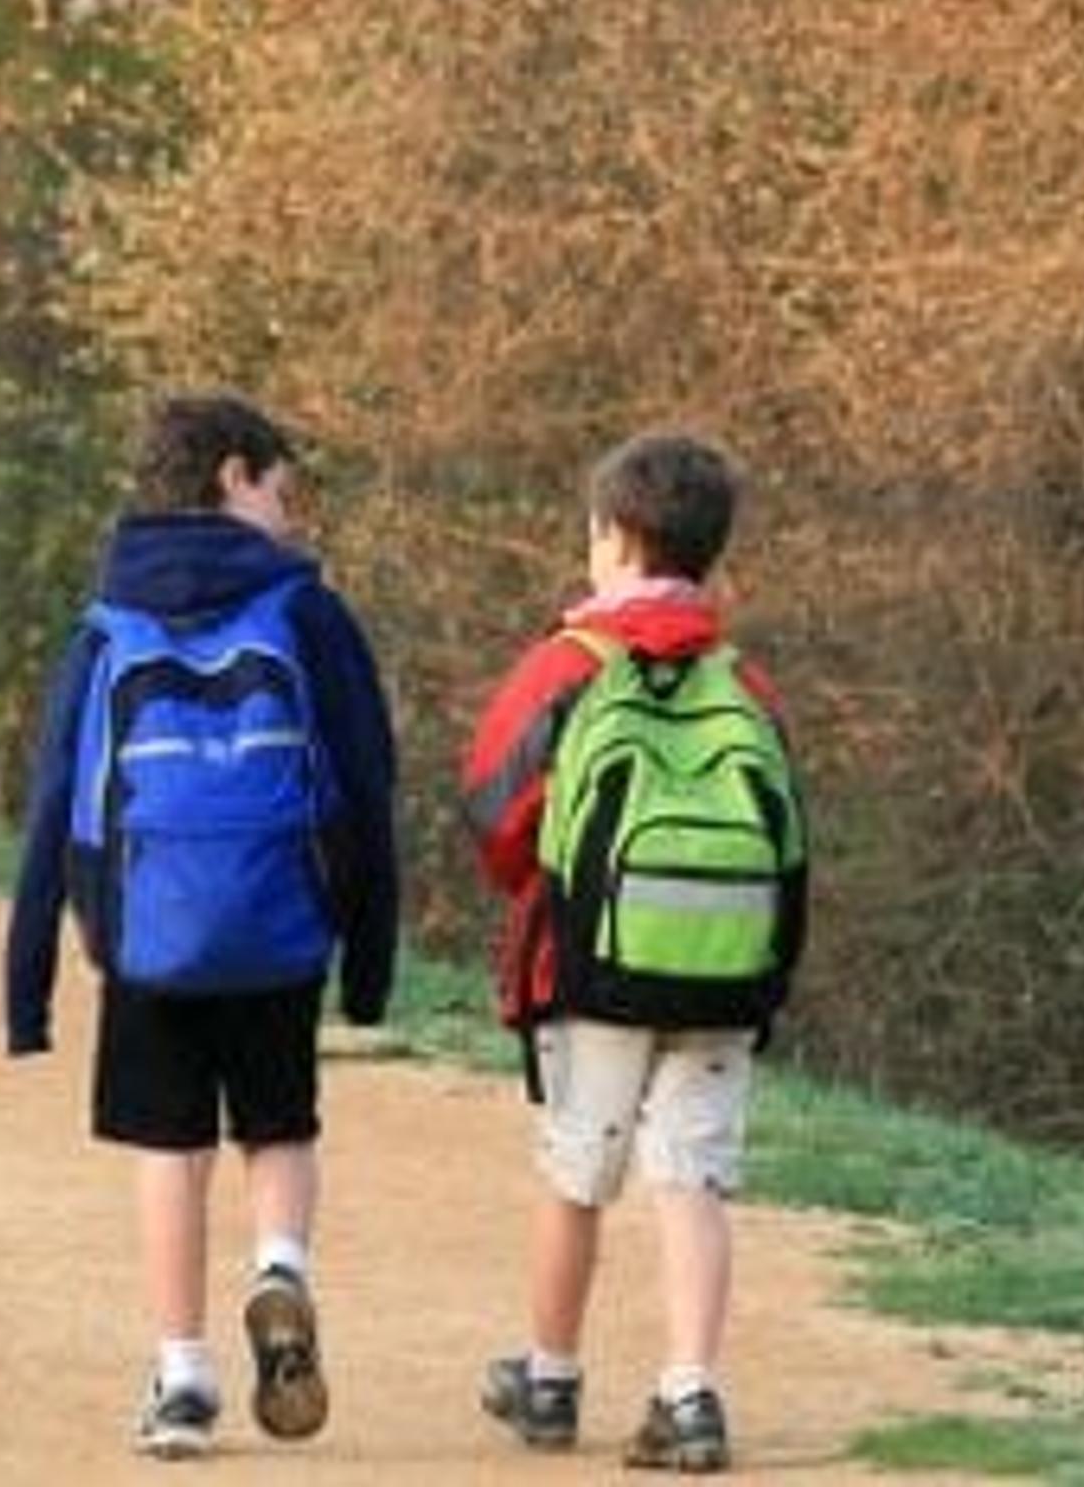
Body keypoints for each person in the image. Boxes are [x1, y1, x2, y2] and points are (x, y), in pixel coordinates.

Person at [4, 392, 401, 1460]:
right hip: (277, 918)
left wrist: (27, 989)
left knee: (169, 1149)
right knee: (279, 1126)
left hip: (148, 933)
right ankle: (280, 1268)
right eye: (282, 490)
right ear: (233, 477)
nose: (292, 515)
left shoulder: (108, 623)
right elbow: (368, 783)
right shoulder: (306, 612)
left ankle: (182, 1375)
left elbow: (53, 802)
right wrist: (369, 960)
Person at [454, 431, 807, 1472]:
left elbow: (493, 806)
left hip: (591, 972)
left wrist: (543, 877)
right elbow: (787, 839)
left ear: (617, 537)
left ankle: (552, 1377)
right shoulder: (745, 683)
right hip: (722, 976)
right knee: (693, 1180)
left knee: (577, 1174)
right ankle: (691, 1392)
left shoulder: (568, 666)